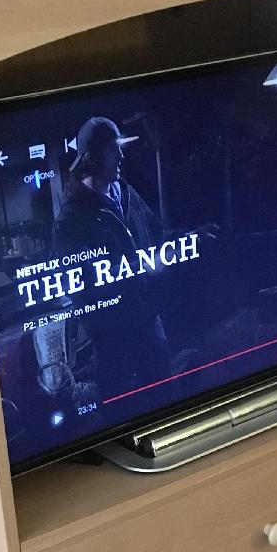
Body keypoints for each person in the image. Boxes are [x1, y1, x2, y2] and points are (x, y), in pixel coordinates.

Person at [52, 116, 172, 395]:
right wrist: (105, 328)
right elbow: (74, 284)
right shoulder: (72, 219)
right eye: (111, 149)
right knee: (122, 409)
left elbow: (157, 236)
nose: (120, 155)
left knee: (165, 397)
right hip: (112, 342)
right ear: (92, 157)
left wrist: (191, 237)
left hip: (149, 325)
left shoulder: (128, 195)